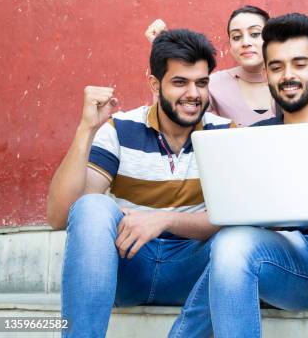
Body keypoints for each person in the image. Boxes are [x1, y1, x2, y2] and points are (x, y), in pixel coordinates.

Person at [178, 13, 308, 338]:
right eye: (276, 67)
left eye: (299, 64)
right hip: (291, 268)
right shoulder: (256, 135)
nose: (288, 75)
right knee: (230, 243)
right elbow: (238, 212)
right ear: (267, 74)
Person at [47, 29, 232, 337]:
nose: (194, 94)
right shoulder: (119, 129)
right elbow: (59, 215)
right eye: (180, 82)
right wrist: (86, 129)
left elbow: (232, 219)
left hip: (193, 270)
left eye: (201, 83)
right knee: (92, 206)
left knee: (239, 237)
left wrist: (164, 220)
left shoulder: (225, 134)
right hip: (130, 265)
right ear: (154, 84)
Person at [145, 5, 276, 127]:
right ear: (230, 46)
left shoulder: (288, 79)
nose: (245, 42)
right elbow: (169, 120)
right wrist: (162, 48)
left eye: (255, 34)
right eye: (236, 37)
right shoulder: (211, 84)